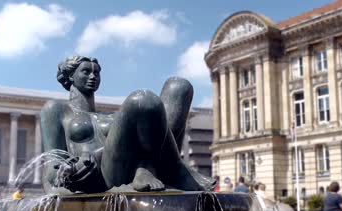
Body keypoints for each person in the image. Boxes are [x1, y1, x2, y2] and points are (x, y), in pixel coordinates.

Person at [41, 56, 214, 194]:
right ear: (71, 76)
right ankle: (174, 168)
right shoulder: (57, 109)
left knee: (179, 87)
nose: (93, 76)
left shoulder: (108, 115)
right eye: (86, 72)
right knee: (142, 100)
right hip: (103, 175)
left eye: (97, 73)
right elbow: (52, 165)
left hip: (135, 162)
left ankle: (147, 167)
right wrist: (70, 172)